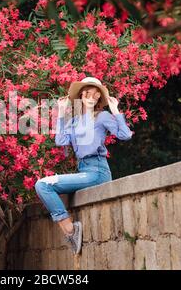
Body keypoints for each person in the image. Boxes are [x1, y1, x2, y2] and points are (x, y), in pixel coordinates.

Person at [34, 76, 133, 255]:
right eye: (87, 92)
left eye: (95, 95)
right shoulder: (73, 122)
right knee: (42, 185)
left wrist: (115, 110)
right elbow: (61, 140)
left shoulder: (102, 116)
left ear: (98, 99)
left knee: (42, 185)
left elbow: (125, 135)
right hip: (84, 170)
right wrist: (63, 113)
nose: (91, 96)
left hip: (98, 171)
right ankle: (70, 230)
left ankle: (71, 230)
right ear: (81, 95)